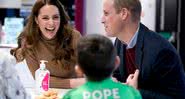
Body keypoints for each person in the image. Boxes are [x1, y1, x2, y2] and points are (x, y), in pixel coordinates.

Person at [101, 0, 185, 98]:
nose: (102, 20)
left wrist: (136, 93)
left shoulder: (161, 51)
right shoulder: (119, 42)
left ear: (124, 14)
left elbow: (176, 97)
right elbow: (118, 78)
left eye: (106, 13)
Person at [10, 0, 84, 88]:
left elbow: (87, 72)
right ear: (37, 20)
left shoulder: (74, 37)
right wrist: (74, 83)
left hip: (75, 93)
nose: (51, 23)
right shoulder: (29, 42)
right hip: (47, 93)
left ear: (61, 18)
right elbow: (40, 79)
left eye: (55, 17)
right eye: (45, 18)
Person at [63, 34, 142, 99]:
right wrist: (132, 90)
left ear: (78, 69)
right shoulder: (131, 94)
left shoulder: (71, 96)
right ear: (117, 62)